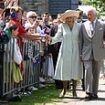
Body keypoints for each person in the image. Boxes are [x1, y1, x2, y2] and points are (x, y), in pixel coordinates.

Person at [46, 10, 82, 97]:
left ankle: (74, 91)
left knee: (75, 70)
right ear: (65, 19)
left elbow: (82, 38)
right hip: (65, 50)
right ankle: (64, 90)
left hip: (76, 50)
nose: (69, 19)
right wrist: (50, 39)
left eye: (70, 17)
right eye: (67, 18)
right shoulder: (62, 26)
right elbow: (57, 37)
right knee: (65, 70)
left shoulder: (79, 26)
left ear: (73, 17)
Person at [79, 8, 105, 100]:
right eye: (87, 15)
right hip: (86, 53)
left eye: (90, 14)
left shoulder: (102, 24)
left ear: (95, 15)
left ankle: (94, 92)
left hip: (98, 53)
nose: (88, 16)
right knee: (88, 71)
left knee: (96, 73)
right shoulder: (83, 25)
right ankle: (88, 92)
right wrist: (80, 53)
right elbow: (80, 40)